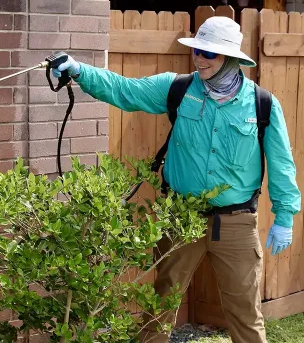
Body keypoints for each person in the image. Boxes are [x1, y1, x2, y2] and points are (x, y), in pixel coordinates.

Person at [51, 17, 301, 343]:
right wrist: (79, 70)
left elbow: (282, 164)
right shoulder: (178, 88)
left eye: (208, 53)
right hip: (180, 217)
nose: (199, 58)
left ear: (231, 58)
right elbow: (125, 90)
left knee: (245, 314)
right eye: (197, 49)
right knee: (160, 307)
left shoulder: (262, 104)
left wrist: (285, 216)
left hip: (237, 222)